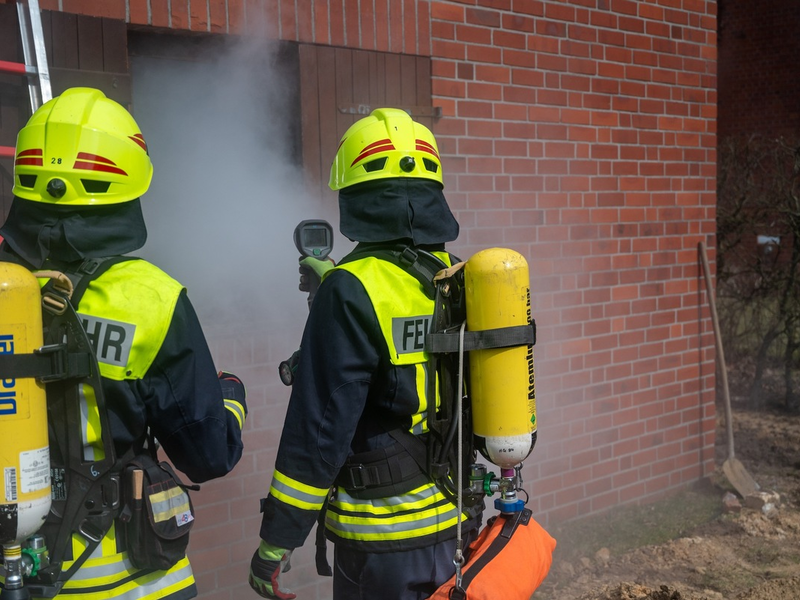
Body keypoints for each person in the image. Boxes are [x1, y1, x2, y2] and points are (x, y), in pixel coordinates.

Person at [0, 87, 247, 599]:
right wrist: (231, 399)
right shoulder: (150, 297)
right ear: (126, 182)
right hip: (130, 578)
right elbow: (207, 455)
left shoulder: (5, 290)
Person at [249, 108, 482, 600]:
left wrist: (279, 539)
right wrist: (333, 289)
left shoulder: (351, 291)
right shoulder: (460, 277)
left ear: (354, 197)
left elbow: (319, 429)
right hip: (461, 520)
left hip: (383, 542)